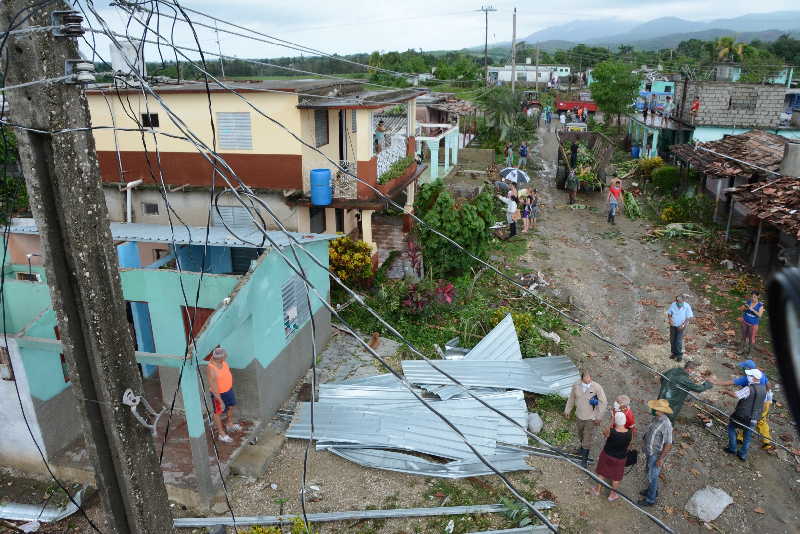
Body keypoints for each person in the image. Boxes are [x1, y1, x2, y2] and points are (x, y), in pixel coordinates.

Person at [713, 360, 774, 451]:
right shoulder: (760, 374)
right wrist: (768, 395)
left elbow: (731, 384)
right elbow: (768, 384)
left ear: (747, 369)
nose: (742, 370)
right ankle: (741, 440)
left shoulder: (748, 379)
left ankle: (767, 442)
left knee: (758, 420)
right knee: (750, 421)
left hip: (758, 403)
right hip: (765, 401)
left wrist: (716, 382)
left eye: (744, 368)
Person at [722, 368, 767, 461]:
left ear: (754, 378)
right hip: (755, 417)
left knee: (731, 427)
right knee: (747, 436)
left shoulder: (749, 388)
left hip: (743, 415)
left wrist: (726, 392)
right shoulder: (764, 388)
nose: (748, 377)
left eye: (750, 375)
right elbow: (763, 401)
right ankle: (742, 455)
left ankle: (732, 448)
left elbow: (736, 395)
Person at [564, 370, 608, 464]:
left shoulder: (597, 387)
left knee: (587, 438)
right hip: (579, 415)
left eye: (590, 377)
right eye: (586, 377)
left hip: (590, 418)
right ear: (582, 378)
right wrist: (568, 410)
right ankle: (582, 449)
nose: (588, 379)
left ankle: (584, 461)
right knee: (580, 434)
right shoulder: (576, 385)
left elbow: (603, 402)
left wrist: (598, 417)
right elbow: (571, 398)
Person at [590, 411, 632, 501]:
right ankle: (612, 495)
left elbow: (605, 434)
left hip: (607, 455)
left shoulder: (612, 431)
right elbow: (629, 444)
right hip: (620, 458)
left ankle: (597, 490)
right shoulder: (629, 433)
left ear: (616, 421)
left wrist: (611, 421)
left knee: (602, 472)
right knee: (616, 477)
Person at [638, 399, 673, 507]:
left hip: (656, 454)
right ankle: (652, 490)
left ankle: (650, 499)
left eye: (656, 408)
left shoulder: (666, 424)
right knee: (649, 472)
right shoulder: (656, 418)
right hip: (650, 451)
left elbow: (668, 443)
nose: (653, 409)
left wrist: (661, 459)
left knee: (653, 476)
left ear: (661, 410)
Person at [206, 347, 241, 443]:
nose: (226, 357)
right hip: (218, 394)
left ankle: (229, 424)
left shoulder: (224, 363)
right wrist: (220, 401)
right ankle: (221, 433)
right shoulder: (211, 368)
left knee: (230, 406)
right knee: (218, 413)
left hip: (228, 390)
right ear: (219, 358)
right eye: (225, 356)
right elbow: (213, 387)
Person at [666, 295, 693, 361]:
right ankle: (674, 353)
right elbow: (669, 313)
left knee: (678, 341)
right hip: (673, 325)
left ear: (683, 301)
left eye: (680, 301)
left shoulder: (687, 306)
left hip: (681, 326)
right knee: (672, 340)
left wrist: (683, 325)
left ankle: (679, 355)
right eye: (677, 301)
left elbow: (689, 317)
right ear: (676, 301)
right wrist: (670, 320)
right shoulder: (673, 304)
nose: (679, 303)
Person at [739, 290, 765, 356]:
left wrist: (752, 310)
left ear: (758, 296)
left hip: (753, 324)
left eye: (754, 297)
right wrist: (744, 308)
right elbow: (742, 309)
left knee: (751, 338)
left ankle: (750, 353)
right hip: (745, 322)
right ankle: (741, 349)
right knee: (743, 336)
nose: (753, 298)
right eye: (752, 297)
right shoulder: (749, 302)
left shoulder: (760, 305)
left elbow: (760, 315)